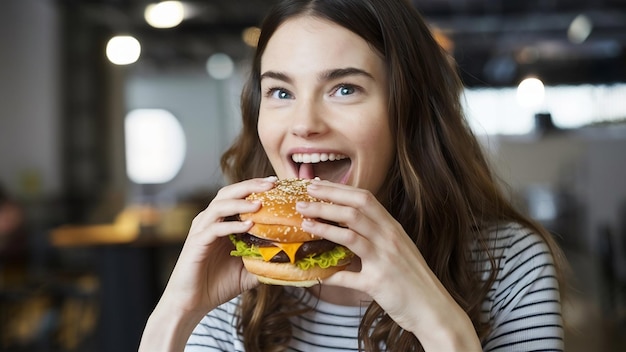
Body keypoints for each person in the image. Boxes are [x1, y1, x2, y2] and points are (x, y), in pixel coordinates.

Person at [140, 0, 566, 351]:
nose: (304, 123)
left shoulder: (510, 263)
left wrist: (440, 325)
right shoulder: (232, 272)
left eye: (345, 88)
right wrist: (177, 312)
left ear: (408, 110)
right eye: (281, 92)